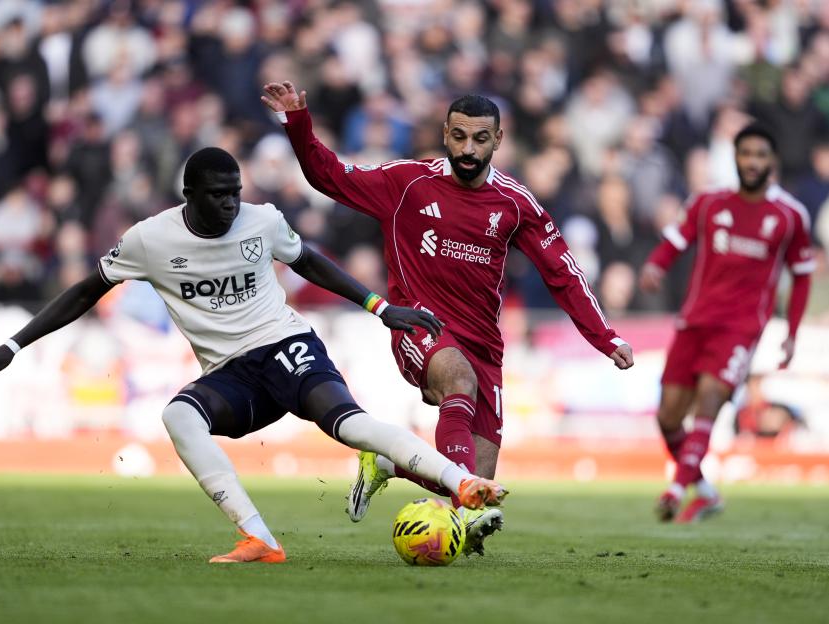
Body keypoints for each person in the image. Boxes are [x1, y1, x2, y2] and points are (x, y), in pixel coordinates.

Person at [0, 147, 508, 564]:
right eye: (219, 194)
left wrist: (378, 306)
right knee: (178, 415)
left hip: (285, 345)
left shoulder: (262, 220)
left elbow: (308, 262)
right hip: (231, 375)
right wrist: (13, 345)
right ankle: (259, 538)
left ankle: (461, 482)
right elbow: (86, 291)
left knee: (346, 420)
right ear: (190, 195)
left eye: (235, 192)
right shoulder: (148, 240)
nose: (231, 203)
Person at [262, 81, 634, 555]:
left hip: (484, 343)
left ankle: (389, 465)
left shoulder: (517, 205)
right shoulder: (407, 182)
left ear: (498, 140)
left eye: (480, 139)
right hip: (421, 325)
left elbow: (562, 273)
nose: (468, 149)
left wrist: (605, 337)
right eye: (459, 136)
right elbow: (328, 176)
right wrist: (298, 123)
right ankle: (455, 507)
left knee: (476, 476)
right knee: (457, 385)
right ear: (445, 134)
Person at [639, 123, 814, 523]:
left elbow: (802, 274)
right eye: (746, 154)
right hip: (695, 321)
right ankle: (705, 491)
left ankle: (676, 488)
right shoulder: (708, 203)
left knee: (712, 395)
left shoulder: (789, 215)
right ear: (735, 157)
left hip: (741, 327)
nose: (753, 162)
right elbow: (675, 240)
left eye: (761, 155)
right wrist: (655, 265)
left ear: (772, 162)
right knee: (667, 417)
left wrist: (792, 334)